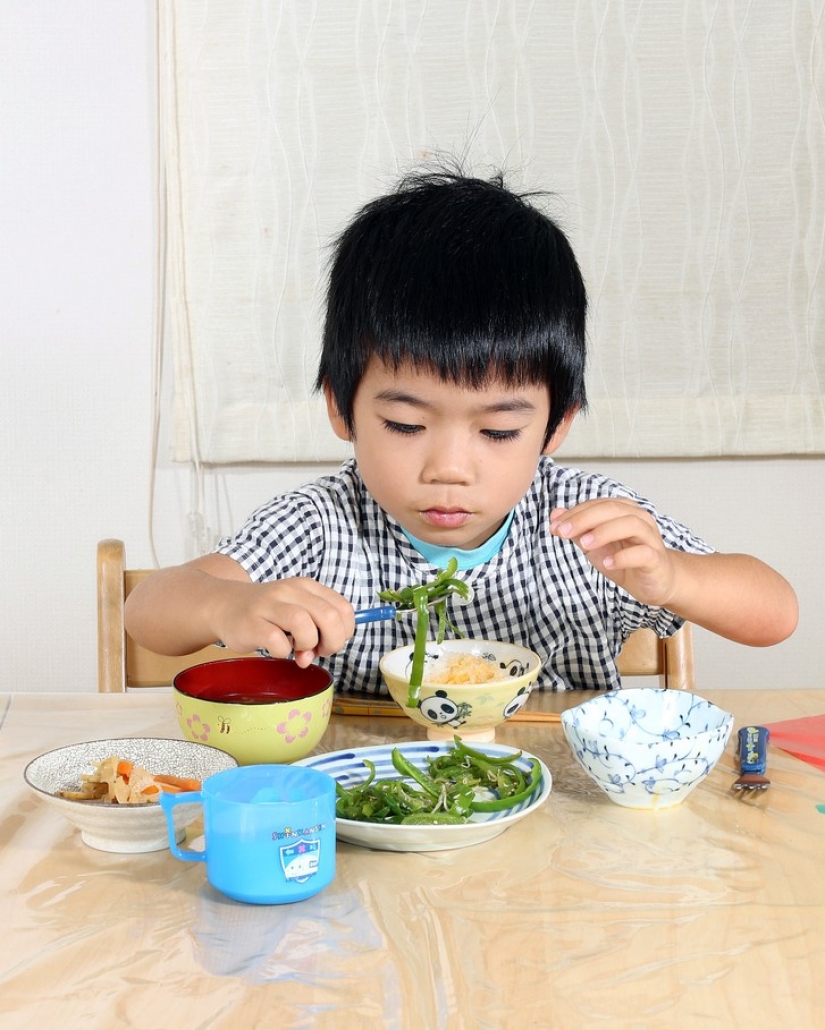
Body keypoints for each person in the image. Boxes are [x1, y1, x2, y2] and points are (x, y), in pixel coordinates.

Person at [125, 167, 798, 693]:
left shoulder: (585, 527)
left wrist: (671, 578)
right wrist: (227, 607)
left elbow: (775, 613)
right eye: (404, 423)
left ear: (554, 426)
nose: (448, 466)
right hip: (368, 812)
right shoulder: (321, 524)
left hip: (553, 822)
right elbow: (148, 610)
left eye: (498, 432)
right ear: (340, 408)